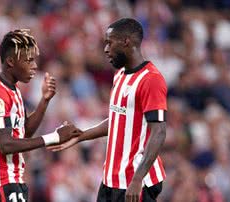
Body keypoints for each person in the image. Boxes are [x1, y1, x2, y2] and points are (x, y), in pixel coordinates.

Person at [48, 18, 167, 202]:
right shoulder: (119, 75)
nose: (105, 49)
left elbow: (159, 131)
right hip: (111, 179)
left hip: (135, 182)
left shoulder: (151, 79)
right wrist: (80, 136)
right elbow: (118, 121)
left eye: (109, 43)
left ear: (126, 42)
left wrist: (137, 178)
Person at [0, 29, 80, 202]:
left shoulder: (11, 90)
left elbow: (23, 134)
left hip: (9, 179)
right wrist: (54, 138)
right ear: (10, 61)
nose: (35, 66)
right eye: (28, 61)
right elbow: (6, 145)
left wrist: (44, 101)